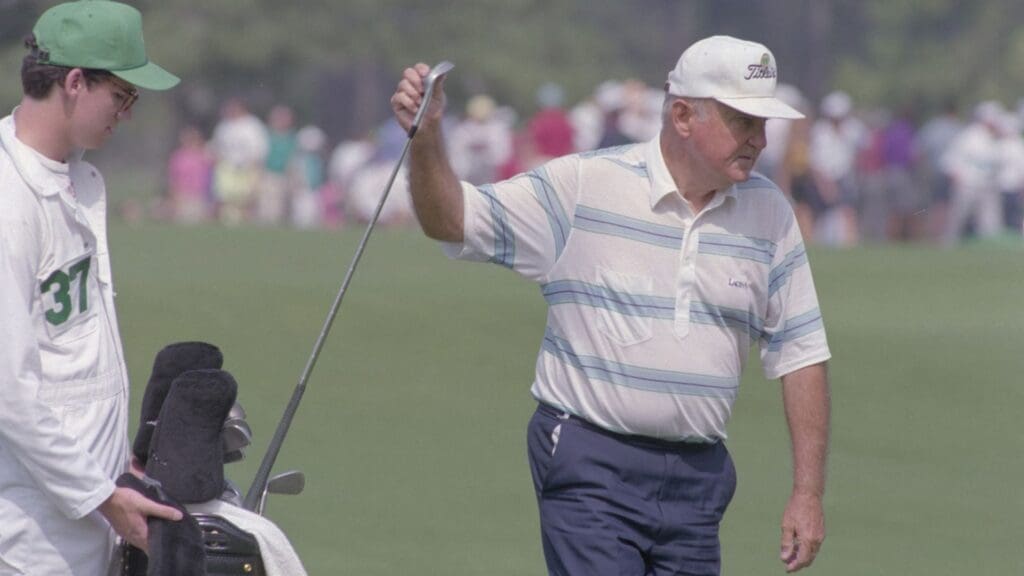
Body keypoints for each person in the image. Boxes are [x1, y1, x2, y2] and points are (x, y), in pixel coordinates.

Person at [392, 35, 831, 575]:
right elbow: (452, 220)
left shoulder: (770, 213)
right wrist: (426, 138)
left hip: (699, 480)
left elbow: (801, 352)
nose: (760, 139)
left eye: (765, 124)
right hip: (590, 462)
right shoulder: (585, 185)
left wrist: (807, 494)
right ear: (683, 115)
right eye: (744, 121)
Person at [0, 1, 185, 574]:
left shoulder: (76, 176)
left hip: (91, 511)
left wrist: (117, 474)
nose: (128, 113)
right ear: (75, 82)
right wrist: (103, 497)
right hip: (32, 538)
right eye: (123, 95)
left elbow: (75, 357)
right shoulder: (9, 202)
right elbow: (10, 392)